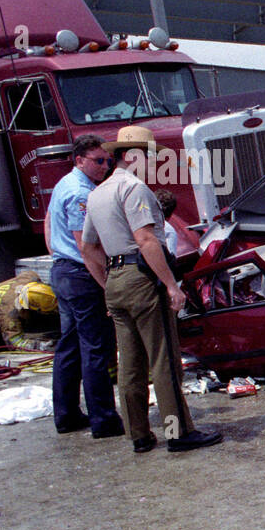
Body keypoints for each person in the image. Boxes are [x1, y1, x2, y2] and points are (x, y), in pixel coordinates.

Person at [79, 125, 222, 454]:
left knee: (130, 363)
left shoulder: (97, 193)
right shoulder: (133, 188)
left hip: (116, 279)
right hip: (142, 279)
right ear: (131, 156)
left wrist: (108, 283)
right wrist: (171, 285)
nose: (150, 163)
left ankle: (139, 434)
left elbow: (88, 249)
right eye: (146, 156)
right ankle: (178, 431)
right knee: (164, 359)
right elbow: (145, 239)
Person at [44, 135, 123, 437]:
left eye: (107, 161)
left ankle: (66, 415)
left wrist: (56, 254)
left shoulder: (65, 183)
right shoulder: (81, 193)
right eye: (98, 161)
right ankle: (103, 419)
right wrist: (107, 285)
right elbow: (86, 246)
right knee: (95, 348)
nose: (105, 166)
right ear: (79, 160)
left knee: (69, 347)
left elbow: (49, 222)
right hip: (81, 275)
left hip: (64, 271)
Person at [0, 271, 57, 353]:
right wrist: (42, 346)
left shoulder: (29, 278)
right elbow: (15, 343)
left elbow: (28, 272)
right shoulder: (9, 313)